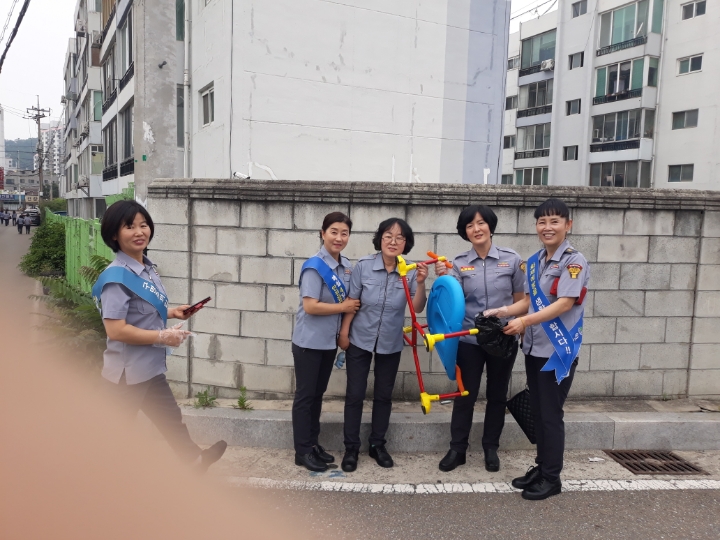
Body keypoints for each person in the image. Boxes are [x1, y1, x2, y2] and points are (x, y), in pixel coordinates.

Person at [94, 200, 227, 471]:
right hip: (126, 375)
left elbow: (142, 311)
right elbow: (116, 330)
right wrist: (162, 337)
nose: (139, 232)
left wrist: (173, 312)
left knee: (170, 418)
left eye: (143, 225)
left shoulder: (147, 268)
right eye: (129, 226)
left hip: (149, 367)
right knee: (113, 436)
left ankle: (195, 462)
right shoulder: (116, 279)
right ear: (114, 235)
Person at [498, 198, 590, 501]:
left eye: (554, 221)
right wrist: (503, 311)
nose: (547, 227)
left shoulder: (574, 262)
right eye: (542, 222)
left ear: (567, 225)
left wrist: (523, 321)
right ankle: (542, 467)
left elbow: (564, 304)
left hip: (557, 353)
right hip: (534, 349)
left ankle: (552, 478)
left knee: (550, 415)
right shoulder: (535, 261)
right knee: (538, 412)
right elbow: (528, 301)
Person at [433, 205, 526, 474]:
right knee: (465, 395)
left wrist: (518, 325)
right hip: (469, 341)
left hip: (502, 339)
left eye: (481, 223)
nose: (476, 229)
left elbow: (522, 301)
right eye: (470, 225)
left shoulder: (512, 260)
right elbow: (451, 300)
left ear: (490, 226)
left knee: (497, 395)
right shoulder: (459, 263)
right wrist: (443, 277)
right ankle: (457, 449)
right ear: (465, 232)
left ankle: (491, 449)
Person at [338, 218, 428, 472]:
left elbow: (417, 307)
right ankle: (351, 448)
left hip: (390, 342)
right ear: (380, 239)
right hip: (359, 340)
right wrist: (344, 333)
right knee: (355, 395)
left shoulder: (410, 271)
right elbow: (352, 302)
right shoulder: (364, 266)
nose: (393, 241)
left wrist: (421, 283)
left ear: (406, 243)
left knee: (383, 396)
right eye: (388, 236)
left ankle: (377, 445)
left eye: (400, 237)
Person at [292, 212, 360, 472]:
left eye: (344, 233)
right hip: (309, 342)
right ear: (323, 234)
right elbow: (310, 306)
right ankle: (302, 451)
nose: (339, 238)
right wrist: (343, 306)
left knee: (317, 395)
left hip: (328, 343)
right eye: (334, 232)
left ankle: (312, 444)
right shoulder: (314, 266)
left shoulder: (346, 266)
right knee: (305, 397)